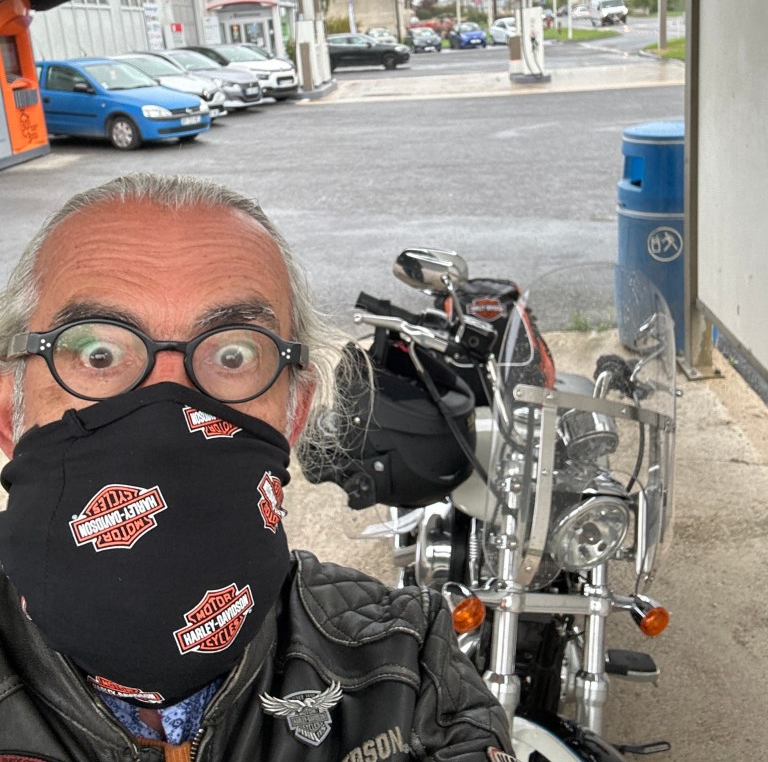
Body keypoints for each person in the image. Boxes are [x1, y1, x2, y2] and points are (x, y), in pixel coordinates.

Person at [0, 172, 511, 760]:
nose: (169, 401)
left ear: (294, 415)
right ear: (10, 413)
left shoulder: (405, 666)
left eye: (233, 353)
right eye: (98, 354)